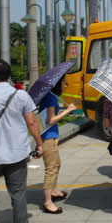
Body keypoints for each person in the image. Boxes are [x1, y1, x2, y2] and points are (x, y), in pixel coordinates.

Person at [0, 59, 44, 223]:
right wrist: (39, 144)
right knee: (18, 192)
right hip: (17, 153)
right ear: (9, 75)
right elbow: (31, 122)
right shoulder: (22, 96)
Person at [39, 76, 76, 214]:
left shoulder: (50, 96)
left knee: (56, 164)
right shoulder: (51, 98)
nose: (65, 84)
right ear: (58, 83)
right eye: (64, 82)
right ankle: (48, 202)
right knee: (51, 169)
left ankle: (54, 191)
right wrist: (67, 110)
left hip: (51, 137)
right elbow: (50, 120)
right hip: (48, 138)